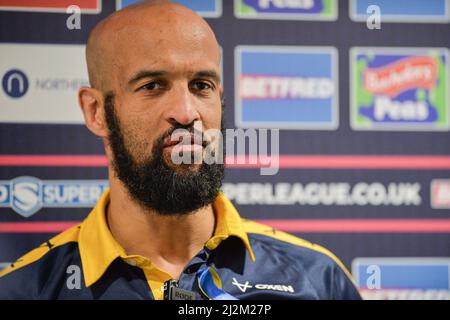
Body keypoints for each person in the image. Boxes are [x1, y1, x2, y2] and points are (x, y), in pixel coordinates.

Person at [0, 1, 361, 300]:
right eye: (153, 85)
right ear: (96, 112)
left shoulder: (318, 280)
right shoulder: (24, 290)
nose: (188, 113)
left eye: (201, 85)